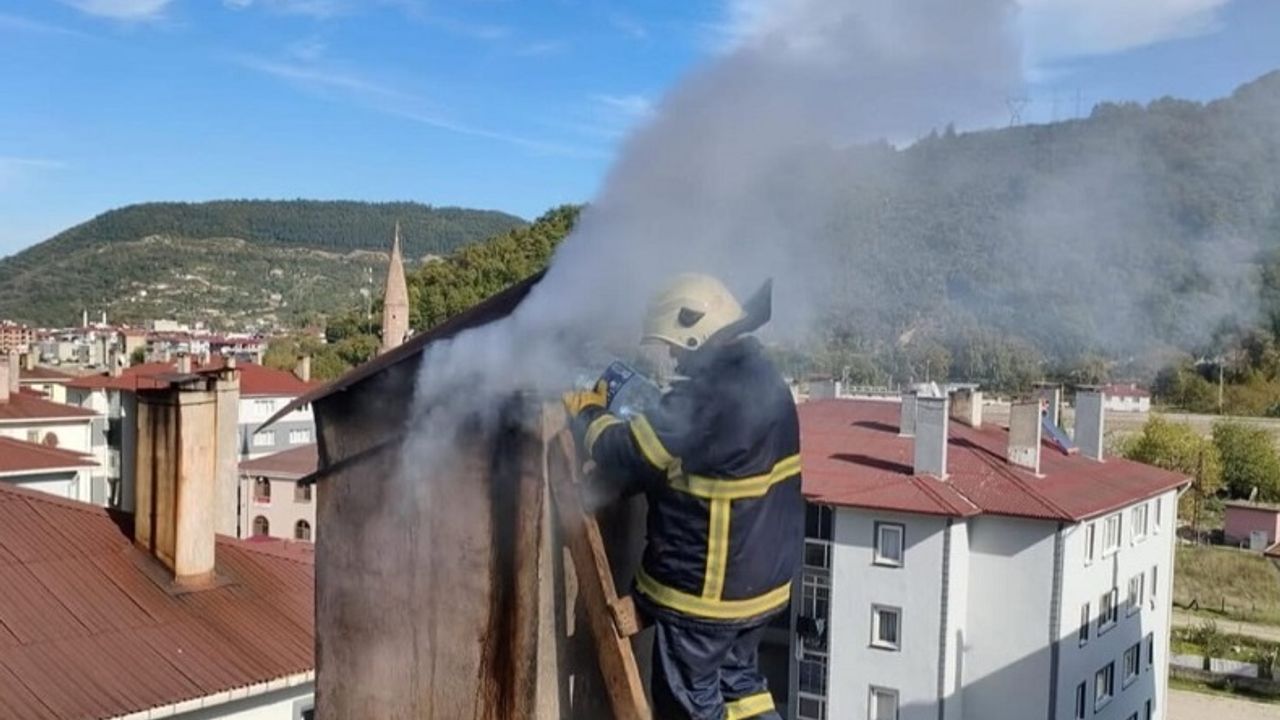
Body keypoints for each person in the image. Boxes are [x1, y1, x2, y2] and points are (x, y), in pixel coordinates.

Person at [563, 273, 803, 720]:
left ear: (696, 333)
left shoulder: (707, 398)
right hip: (763, 589)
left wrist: (589, 413)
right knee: (741, 686)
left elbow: (624, 452)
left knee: (690, 705)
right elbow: (704, 455)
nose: (673, 355)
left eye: (675, 345)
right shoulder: (765, 380)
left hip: (705, 598)